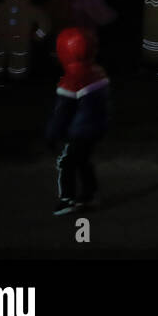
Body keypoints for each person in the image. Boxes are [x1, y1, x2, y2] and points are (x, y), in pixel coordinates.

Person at [46, 27, 110, 215]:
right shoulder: (98, 72)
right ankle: (90, 196)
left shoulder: (71, 81)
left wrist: (52, 135)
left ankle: (68, 199)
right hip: (96, 128)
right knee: (83, 160)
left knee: (67, 162)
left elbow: (61, 114)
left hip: (79, 131)